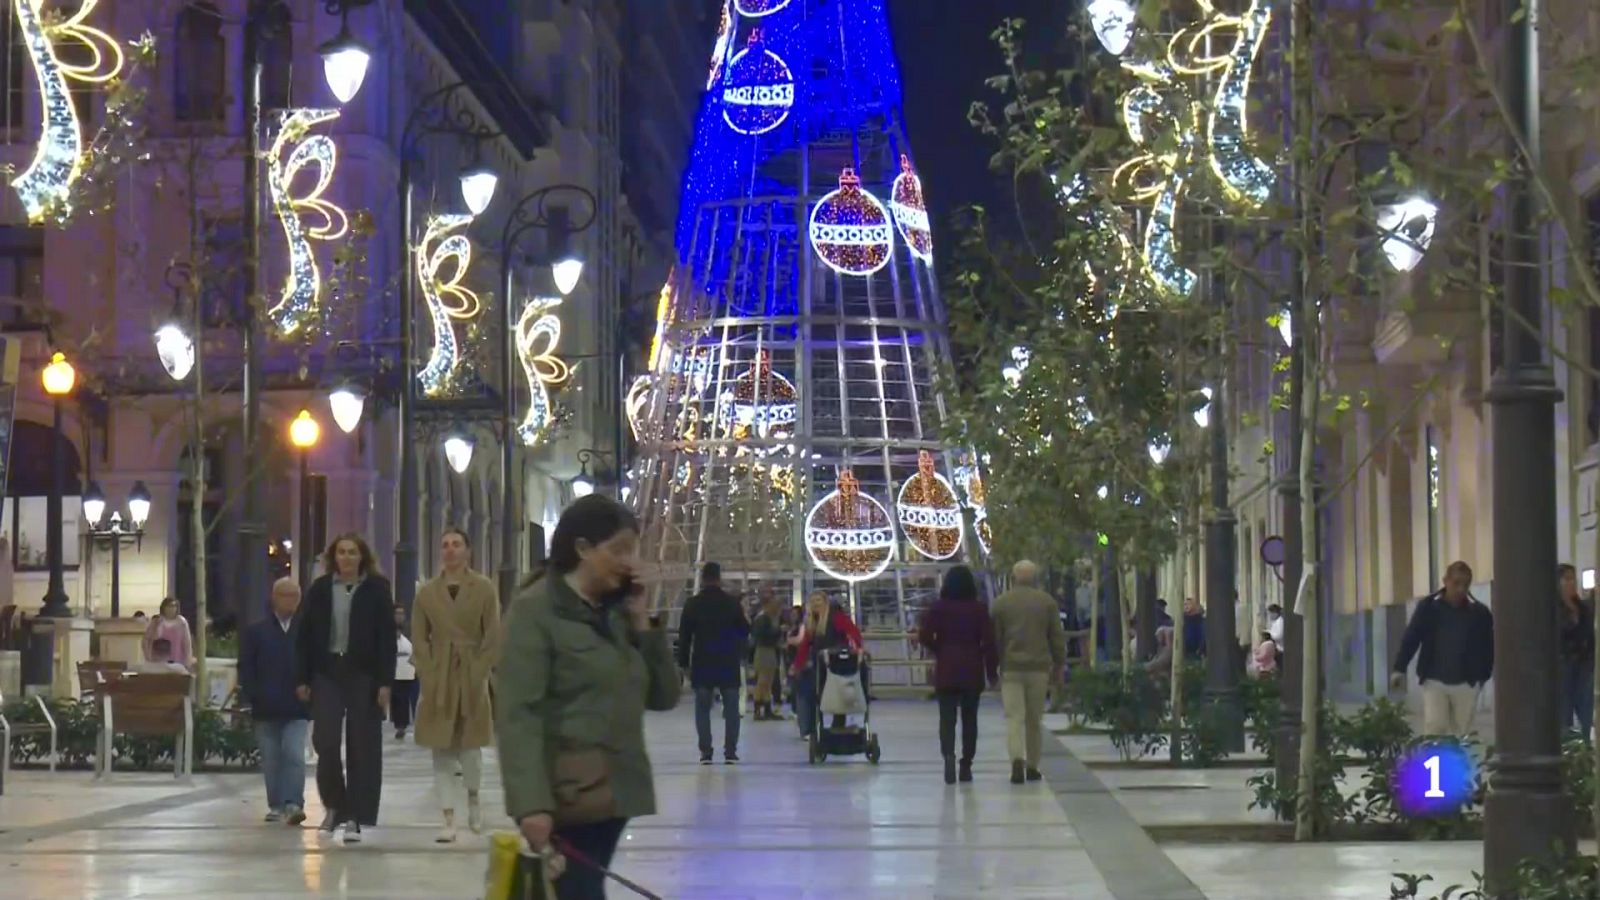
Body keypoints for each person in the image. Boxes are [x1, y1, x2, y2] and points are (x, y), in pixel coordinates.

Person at [498, 495, 680, 900]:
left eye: (632, 551)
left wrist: (643, 623)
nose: (628, 562)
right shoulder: (535, 612)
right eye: (617, 550)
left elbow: (665, 696)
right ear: (581, 549)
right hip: (566, 799)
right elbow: (518, 715)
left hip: (615, 795)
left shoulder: (615, 613)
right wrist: (530, 805)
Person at [295, 533, 396, 844]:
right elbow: (304, 635)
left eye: (353, 552)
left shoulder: (377, 589)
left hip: (362, 673)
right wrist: (302, 678)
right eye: (342, 552)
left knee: (361, 743)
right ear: (334, 557)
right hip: (327, 671)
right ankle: (335, 805)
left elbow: (386, 639)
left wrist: (385, 682)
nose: (347, 558)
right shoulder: (320, 590)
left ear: (362, 557)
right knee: (325, 741)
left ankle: (356, 815)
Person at [413, 528, 501, 843]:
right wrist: (427, 670)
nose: (450, 550)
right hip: (439, 676)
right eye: (445, 544)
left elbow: (492, 633)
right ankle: (448, 817)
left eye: (456, 544)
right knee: (441, 748)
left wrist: (480, 669)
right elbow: (419, 636)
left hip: (471, 672)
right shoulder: (426, 593)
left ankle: (474, 798)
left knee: (471, 748)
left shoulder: (484, 588)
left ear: (468, 550)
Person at [1389, 561, 1494, 737]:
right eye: (1456, 583)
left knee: (1462, 734)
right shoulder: (1428, 608)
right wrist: (1399, 668)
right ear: (1445, 581)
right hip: (1434, 679)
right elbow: (1412, 637)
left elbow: (1489, 646)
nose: (1461, 589)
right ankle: (1435, 764)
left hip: (1466, 682)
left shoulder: (1479, 613)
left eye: (1465, 584)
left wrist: (1483, 675)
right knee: (1435, 728)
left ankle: (1456, 764)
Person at [239, 577, 311, 826]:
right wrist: (252, 694)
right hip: (265, 707)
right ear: (274, 598)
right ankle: (276, 805)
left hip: (297, 707)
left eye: (294, 595)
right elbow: (246, 666)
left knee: (293, 753)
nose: (290, 600)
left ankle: (293, 803)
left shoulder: (307, 630)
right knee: (271, 759)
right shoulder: (257, 631)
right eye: (284, 595)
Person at [918, 565, 998, 785]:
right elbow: (990, 642)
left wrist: (939, 648)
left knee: (947, 718)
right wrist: (991, 671)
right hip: (972, 668)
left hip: (946, 668)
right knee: (970, 719)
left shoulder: (938, 608)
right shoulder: (979, 609)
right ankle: (966, 765)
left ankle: (948, 756)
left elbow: (923, 635)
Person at [991, 560, 1066, 785]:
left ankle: (1016, 759)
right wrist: (1059, 664)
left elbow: (995, 638)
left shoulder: (1001, 603)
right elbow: (1056, 637)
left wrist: (994, 667)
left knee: (1014, 718)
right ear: (1035, 577)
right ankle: (1032, 766)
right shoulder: (1046, 602)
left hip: (1011, 668)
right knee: (1034, 720)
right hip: (1039, 669)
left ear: (1013, 577)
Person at [676, 562, 749, 764]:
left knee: (702, 709)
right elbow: (744, 631)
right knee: (732, 710)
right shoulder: (731, 603)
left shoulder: (693, 604)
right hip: (727, 662)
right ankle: (730, 751)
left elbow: (684, 637)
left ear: (703, 578)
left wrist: (683, 663)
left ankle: (706, 752)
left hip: (702, 661)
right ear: (719, 577)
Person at [791, 591, 864, 738]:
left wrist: (857, 649)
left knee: (837, 693)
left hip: (837, 662)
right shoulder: (812, 622)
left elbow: (854, 633)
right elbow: (805, 645)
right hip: (819, 663)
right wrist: (797, 665)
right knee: (809, 692)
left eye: (819, 600)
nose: (816, 604)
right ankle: (810, 729)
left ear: (825, 602)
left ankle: (837, 726)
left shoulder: (837, 618)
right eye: (813, 601)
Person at [1558, 564, 1595, 739]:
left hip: (1583, 665)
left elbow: (1589, 634)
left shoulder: (1583, 608)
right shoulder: (1554, 609)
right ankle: (1568, 751)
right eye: (1567, 578)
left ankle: (1585, 748)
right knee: (1564, 714)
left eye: (1573, 578)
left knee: (1586, 713)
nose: (1571, 582)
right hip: (1563, 666)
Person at [750, 588, 785, 721]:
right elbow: (763, 636)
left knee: (767, 682)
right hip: (764, 651)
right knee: (763, 681)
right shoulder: (763, 619)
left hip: (767, 651)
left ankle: (765, 708)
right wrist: (778, 631)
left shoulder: (767, 618)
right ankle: (758, 709)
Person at [143, 597, 193, 667]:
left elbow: (187, 643)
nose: (171, 609)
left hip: (178, 660)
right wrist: (148, 656)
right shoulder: (156, 622)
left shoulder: (182, 622)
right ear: (163, 608)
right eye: (169, 606)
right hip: (158, 660)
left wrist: (188, 659)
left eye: (174, 606)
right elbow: (146, 640)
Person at [392, 606, 417, 741]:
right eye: (397, 613)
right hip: (395, 670)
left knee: (411, 698)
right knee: (398, 699)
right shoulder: (388, 629)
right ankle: (399, 725)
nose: (399, 616)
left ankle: (412, 724)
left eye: (402, 613)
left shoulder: (410, 629)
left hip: (410, 669)